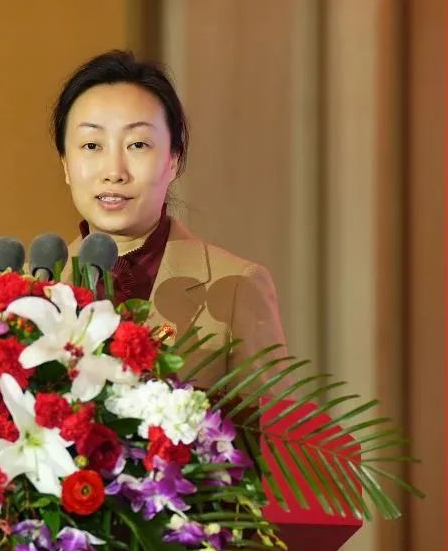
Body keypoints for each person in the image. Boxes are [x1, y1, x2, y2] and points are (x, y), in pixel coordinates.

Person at [54, 50, 293, 392]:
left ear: (173, 161)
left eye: (138, 144)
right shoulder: (31, 288)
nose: (114, 172)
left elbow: (274, 423)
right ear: (65, 163)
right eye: (92, 145)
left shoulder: (236, 286)